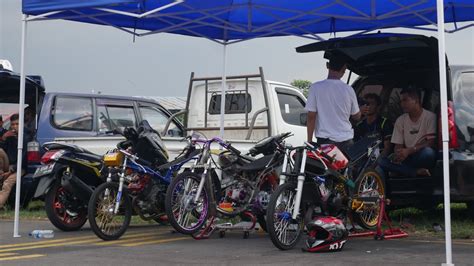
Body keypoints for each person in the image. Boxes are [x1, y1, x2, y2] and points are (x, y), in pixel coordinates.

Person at [305, 52, 361, 151]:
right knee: (346, 166)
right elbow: (356, 116)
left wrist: (309, 141)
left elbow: (311, 116)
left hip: (326, 143)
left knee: (326, 167)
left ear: (327, 65)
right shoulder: (349, 90)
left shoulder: (316, 88)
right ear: (344, 69)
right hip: (347, 141)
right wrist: (360, 110)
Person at [378, 87, 437, 177]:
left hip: (420, 155)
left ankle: (405, 170)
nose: (402, 104)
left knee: (428, 153)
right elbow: (398, 145)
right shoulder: (401, 120)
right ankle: (415, 171)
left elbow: (431, 142)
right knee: (381, 161)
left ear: (416, 100)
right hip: (407, 157)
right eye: (401, 101)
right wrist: (399, 154)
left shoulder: (430, 117)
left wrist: (409, 150)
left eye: (405, 100)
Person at [354, 93, 393, 157]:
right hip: (362, 159)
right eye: (366, 104)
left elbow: (387, 148)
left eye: (372, 103)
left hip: (380, 160)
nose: (368, 106)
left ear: (378, 106)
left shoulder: (385, 123)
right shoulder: (359, 125)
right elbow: (356, 147)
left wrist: (375, 165)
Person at [0, 114, 27, 208]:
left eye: (17, 124)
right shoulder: (9, 136)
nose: (15, 127)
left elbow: (23, 159)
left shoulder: (26, 138)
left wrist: (10, 171)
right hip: (9, 164)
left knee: (7, 183)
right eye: (13, 124)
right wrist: (3, 139)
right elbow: (3, 151)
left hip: (20, 167)